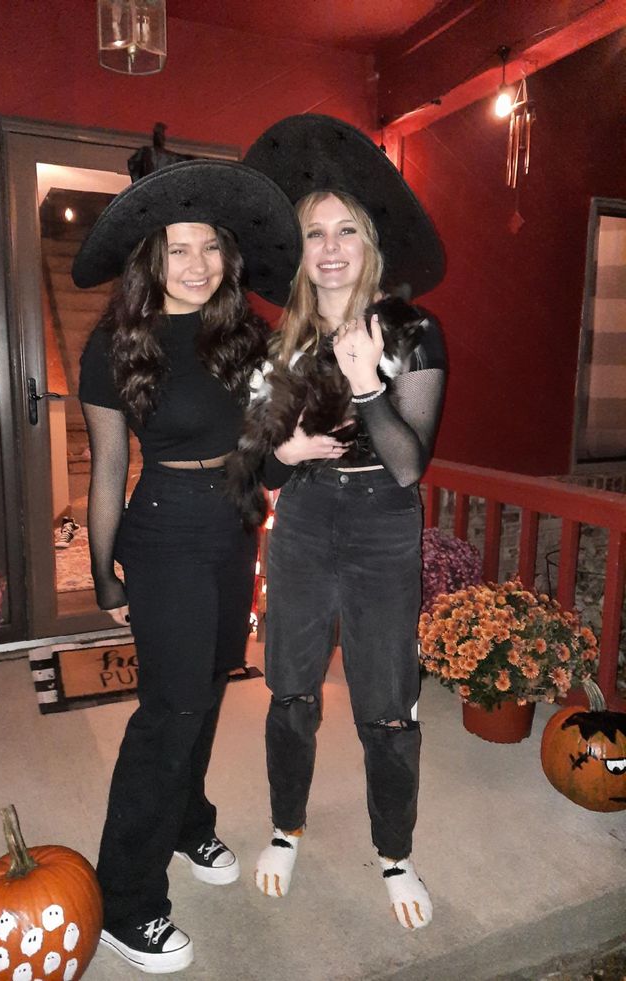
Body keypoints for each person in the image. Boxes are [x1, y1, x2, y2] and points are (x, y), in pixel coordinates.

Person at [72, 159, 303, 974]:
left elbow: (264, 461)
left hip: (235, 524)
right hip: (164, 529)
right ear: (150, 256)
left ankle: (185, 820)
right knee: (166, 712)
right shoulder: (112, 346)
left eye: (211, 247)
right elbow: (106, 471)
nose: (198, 263)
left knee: (206, 690)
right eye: (179, 248)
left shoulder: (252, 335)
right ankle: (125, 899)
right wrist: (105, 575)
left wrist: (293, 448)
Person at [240, 115, 447, 930]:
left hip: (383, 520)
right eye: (314, 233)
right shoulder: (278, 343)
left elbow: (408, 465)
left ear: (371, 243)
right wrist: (285, 450)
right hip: (303, 517)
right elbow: (259, 469)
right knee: (289, 687)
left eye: (347, 231)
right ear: (300, 249)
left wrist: (367, 384)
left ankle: (394, 851)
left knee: (387, 699)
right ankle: (285, 827)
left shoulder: (412, 332)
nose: (330, 248)